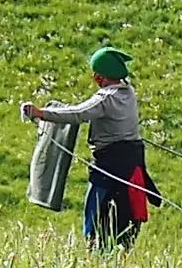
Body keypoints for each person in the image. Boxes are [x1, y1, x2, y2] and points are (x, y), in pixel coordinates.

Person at [23, 47, 157, 248]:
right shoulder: (127, 91)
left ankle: (94, 245)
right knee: (125, 210)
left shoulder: (107, 98)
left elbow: (79, 113)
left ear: (98, 77)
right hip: (133, 162)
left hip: (110, 166)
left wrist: (41, 113)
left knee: (96, 210)